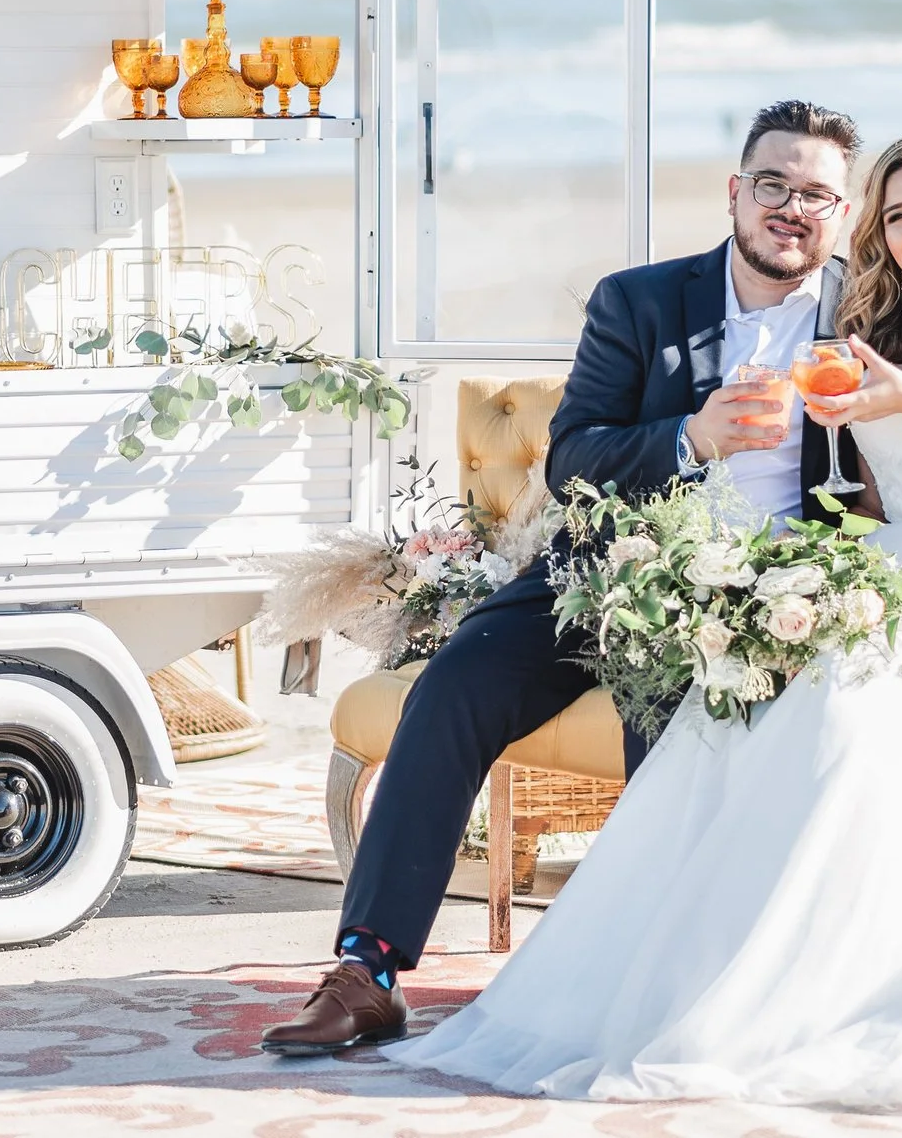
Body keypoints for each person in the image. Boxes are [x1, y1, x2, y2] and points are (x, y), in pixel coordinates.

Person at [388, 130, 902, 1111]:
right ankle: (605, 984)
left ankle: (822, 991)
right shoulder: (878, 324)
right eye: (898, 215)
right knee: (708, 723)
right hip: (834, 566)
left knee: (837, 726)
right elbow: (864, 498)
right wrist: (771, 553)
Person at [259, 100, 866, 1055]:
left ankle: (652, 974)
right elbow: (573, 458)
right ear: (736, 193)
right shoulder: (642, 300)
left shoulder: (869, 314)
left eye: (817, 194)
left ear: (845, 213)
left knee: (666, 720)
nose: (792, 208)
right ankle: (367, 970)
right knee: (455, 685)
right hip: (600, 569)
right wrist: (691, 436)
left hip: (759, 596)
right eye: (773, 185)